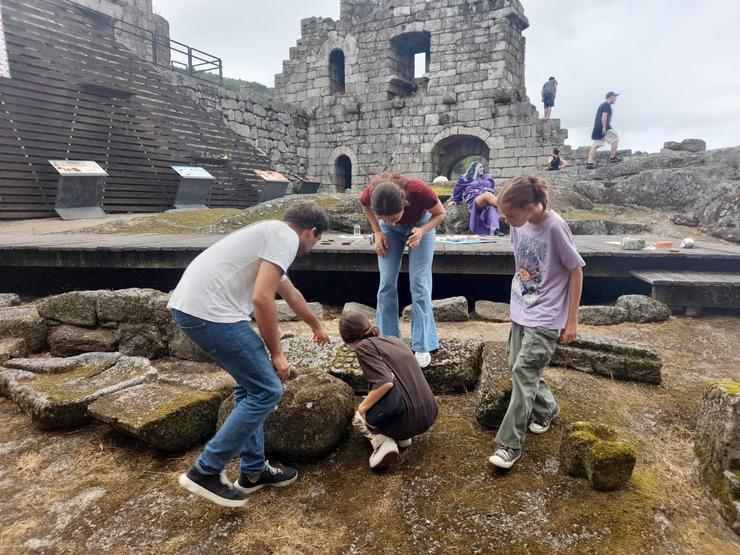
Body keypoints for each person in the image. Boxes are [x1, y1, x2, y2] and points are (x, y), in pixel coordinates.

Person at [168, 202, 332, 507]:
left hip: (196, 307)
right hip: (211, 312)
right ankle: (205, 470)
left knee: (250, 387)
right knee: (268, 389)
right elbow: (262, 298)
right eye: (317, 240)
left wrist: (316, 324)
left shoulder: (273, 235)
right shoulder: (285, 239)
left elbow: (290, 293)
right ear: (311, 232)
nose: (312, 245)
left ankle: (253, 472)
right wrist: (277, 353)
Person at [488, 176, 584, 470]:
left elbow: (576, 270)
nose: (507, 221)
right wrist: (484, 198)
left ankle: (510, 444)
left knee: (524, 370)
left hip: (546, 316)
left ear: (530, 207)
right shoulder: (520, 219)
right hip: (522, 307)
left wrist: (571, 321)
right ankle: (548, 408)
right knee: (516, 365)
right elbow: (496, 201)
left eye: (511, 216)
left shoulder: (554, 226)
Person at [359, 172, 446, 369]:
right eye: (384, 218)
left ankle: (422, 344)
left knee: (419, 283)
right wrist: (379, 230)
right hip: (390, 235)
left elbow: (441, 213)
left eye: (394, 217)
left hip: (421, 225)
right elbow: (364, 205)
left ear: (405, 204)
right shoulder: (371, 194)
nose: (391, 221)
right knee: (386, 283)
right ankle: (389, 342)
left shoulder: (420, 191)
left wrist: (422, 231)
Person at [340, 311, 438, 470]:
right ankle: (402, 437)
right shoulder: (394, 340)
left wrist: (362, 409)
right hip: (429, 413)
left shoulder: (363, 347)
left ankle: (383, 443)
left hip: (407, 420)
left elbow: (385, 382)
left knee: (360, 415)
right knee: (378, 396)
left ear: (349, 340)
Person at [449, 161, 504, 237]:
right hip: (474, 199)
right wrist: (455, 199)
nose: (482, 169)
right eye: (480, 167)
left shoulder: (487, 177)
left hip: (487, 198)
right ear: (474, 168)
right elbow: (458, 189)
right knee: (487, 195)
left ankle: (495, 229)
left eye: (482, 167)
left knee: (491, 206)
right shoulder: (465, 178)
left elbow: (492, 188)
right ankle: (507, 206)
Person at [586, 91, 621, 169]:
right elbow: (604, 116)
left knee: (595, 145)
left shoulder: (603, 105)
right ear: (611, 96)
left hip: (597, 128)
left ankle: (589, 163)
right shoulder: (607, 105)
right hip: (604, 127)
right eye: (615, 97)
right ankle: (613, 157)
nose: (616, 99)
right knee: (615, 139)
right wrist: (604, 127)